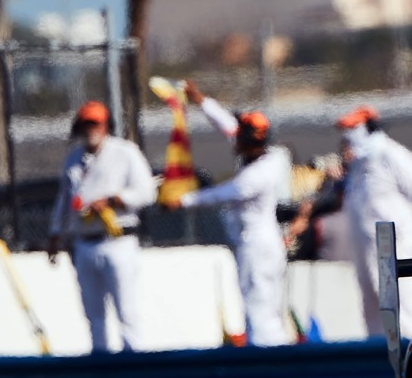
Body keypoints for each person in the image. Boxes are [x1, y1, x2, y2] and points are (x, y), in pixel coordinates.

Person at [170, 80, 292, 346]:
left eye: (240, 135)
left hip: (258, 244)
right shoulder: (255, 154)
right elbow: (225, 124)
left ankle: (267, 359)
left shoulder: (262, 171)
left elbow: (224, 193)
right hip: (256, 241)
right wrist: (200, 99)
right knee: (258, 305)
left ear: (250, 140)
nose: (234, 137)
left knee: (260, 308)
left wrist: (183, 201)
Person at [47, 101, 158, 353]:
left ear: (106, 125)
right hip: (84, 241)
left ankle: (133, 361)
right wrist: (55, 233)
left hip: (118, 240)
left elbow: (147, 192)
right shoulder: (74, 158)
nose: (91, 130)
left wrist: (113, 200)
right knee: (93, 313)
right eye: (86, 125)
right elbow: (64, 199)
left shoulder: (125, 152)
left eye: (95, 124)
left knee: (126, 310)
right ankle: (99, 362)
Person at [336, 105, 412, 336]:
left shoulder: (391, 154)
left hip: (394, 239)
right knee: (371, 297)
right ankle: (378, 346)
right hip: (365, 241)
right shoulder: (357, 164)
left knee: (402, 296)